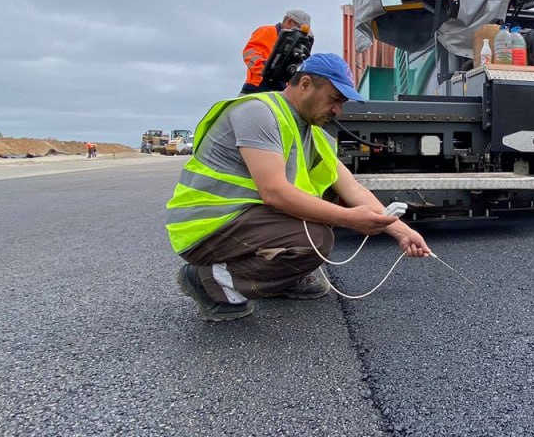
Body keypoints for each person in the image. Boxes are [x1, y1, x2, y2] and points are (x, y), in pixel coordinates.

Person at [167, 52, 431, 322]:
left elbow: (353, 189)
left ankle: (280, 279)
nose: (338, 110)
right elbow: (274, 192)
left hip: (242, 219)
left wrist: (402, 232)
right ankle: (208, 282)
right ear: (305, 83)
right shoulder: (259, 112)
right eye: (334, 99)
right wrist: (350, 220)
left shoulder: (316, 135)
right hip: (207, 225)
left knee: (327, 203)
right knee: (316, 239)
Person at [241, 9, 312, 95]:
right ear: (289, 22)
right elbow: (249, 53)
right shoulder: (266, 31)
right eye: (299, 28)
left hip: (281, 91)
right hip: (257, 87)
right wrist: (266, 69)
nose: (300, 34)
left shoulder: (297, 43)